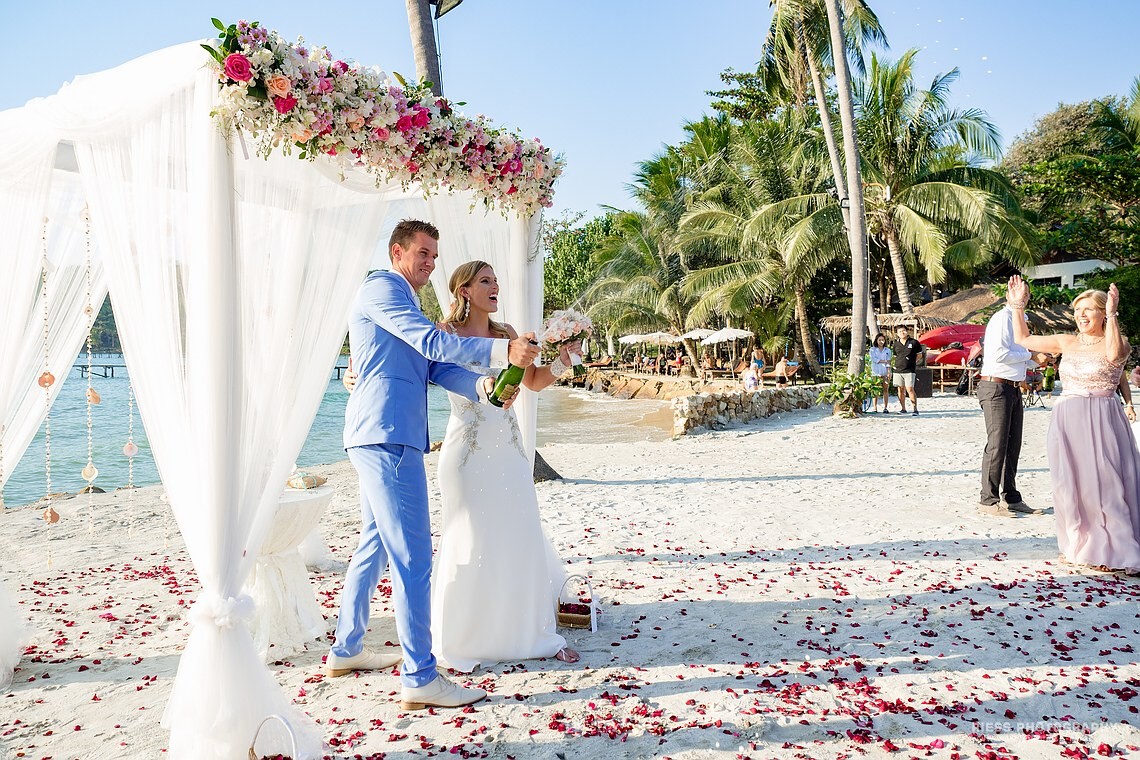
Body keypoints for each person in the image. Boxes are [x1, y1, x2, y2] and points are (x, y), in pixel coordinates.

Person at [328, 219, 540, 710]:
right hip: (387, 435)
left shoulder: (407, 301)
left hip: (379, 435)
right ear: (397, 251)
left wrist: (484, 386)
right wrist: (501, 348)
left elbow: (433, 368)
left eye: (434, 255)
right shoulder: (382, 288)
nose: (430, 262)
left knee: (374, 543)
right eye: (422, 252)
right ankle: (421, 677)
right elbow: (431, 344)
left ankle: (346, 648)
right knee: (415, 556)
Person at [431, 260, 581, 670]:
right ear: (464, 290)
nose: (495, 286)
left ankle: (526, 632)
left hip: (510, 451)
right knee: (470, 535)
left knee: (517, 530)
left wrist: (565, 360)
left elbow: (532, 382)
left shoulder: (508, 334)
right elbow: (440, 377)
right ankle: (464, 635)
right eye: (485, 281)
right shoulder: (443, 334)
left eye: (496, 280)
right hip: (467, 449)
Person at [1007, 275, 1140, 573]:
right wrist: (1018, 306)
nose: (1081, 315)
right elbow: (1023, 339)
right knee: (1072, 483)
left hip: (1103, 416)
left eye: (1088, 310)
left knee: (1107, 483)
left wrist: (1112, 316)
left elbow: (1116, 356)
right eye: (1078, 310)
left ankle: (1115, 547)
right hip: (1068, 416)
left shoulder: (1117, 342)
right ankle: (1079, 543)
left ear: (1102, 313)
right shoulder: (1067, 341)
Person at [976, 292, 1049, 517]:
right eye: (1019, 293)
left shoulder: (1020, 320)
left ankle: (1011, 497)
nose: (1024, 297)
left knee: (1013, 444)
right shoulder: (1002, 318)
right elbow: (999, 354)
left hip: (1013, 387)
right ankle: (988, 501)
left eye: (1026, 293)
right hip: (995, 386)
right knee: (997, 444)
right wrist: (1031, 355)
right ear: (1009, 294)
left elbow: (1018, 356)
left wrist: (1038, 359)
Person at [890, 326, 923, 415]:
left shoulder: (914, 342)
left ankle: (915, 409)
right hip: (898, 370)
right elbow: (895, 356)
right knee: (900, 390)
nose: (902, 333)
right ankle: (903, 408)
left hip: (909, 370)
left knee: (910, 389)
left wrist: (913, 362)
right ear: (897, 333)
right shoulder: (896, 344)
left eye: (904, 331)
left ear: (907, 331)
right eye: (900, 331)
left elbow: (919, 355)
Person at [868, 333, 893, 413]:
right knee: (876, 390)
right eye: (879, 340)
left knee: (885, 389)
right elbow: (874, 360)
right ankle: (875, 407)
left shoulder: (888, 350)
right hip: (876, 372)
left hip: (885, 371)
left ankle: (885, 407)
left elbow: (889, 362)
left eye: (882, 340)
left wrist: (889, 371)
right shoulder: (873, 349)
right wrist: (884, 361)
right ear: (876, 340)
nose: (881, 342)